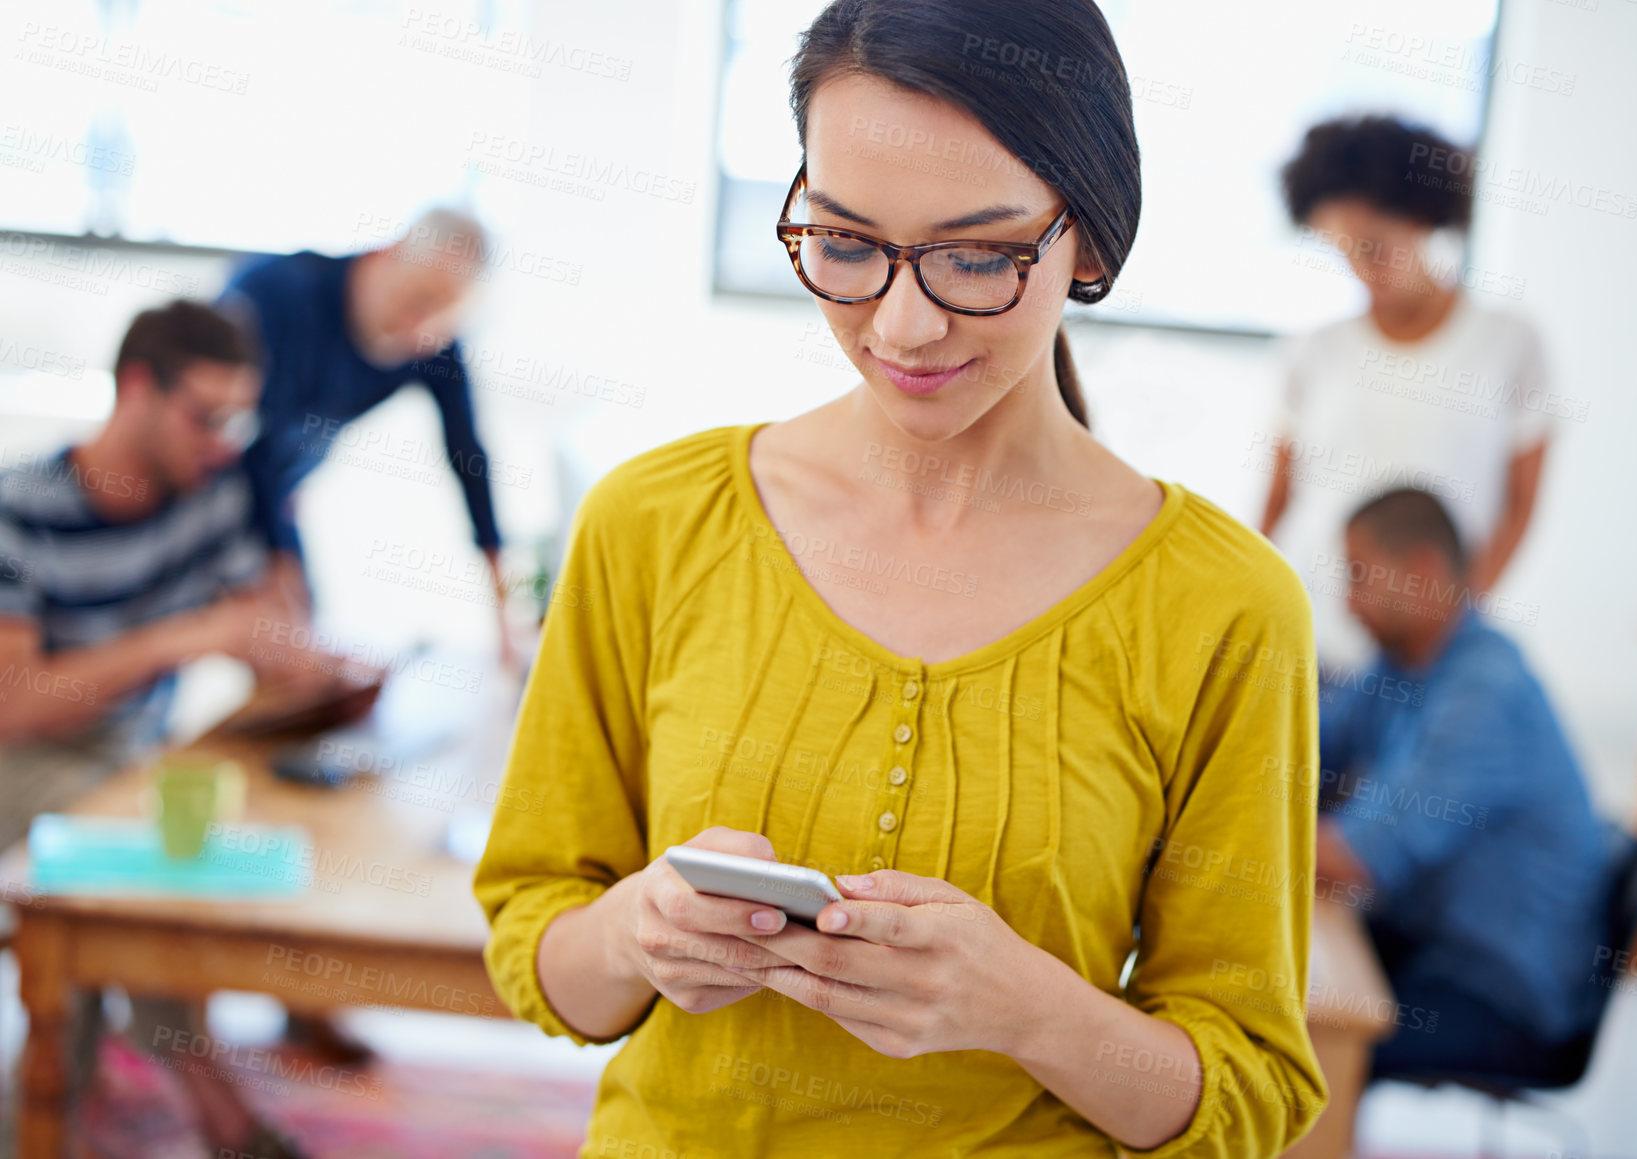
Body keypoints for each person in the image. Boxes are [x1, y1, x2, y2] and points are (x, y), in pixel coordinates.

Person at [475, 2, 1326, 1155]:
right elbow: (545, 954)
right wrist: (639, 933)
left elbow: (1247, 1092)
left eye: (978, 256)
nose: (904, 323)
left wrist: (1026, 1007)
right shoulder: (652, 522)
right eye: (846, 244)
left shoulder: (1227, 608)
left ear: (1095, 240)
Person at [0, 299, 318, 1158]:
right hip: (20, 766)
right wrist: (188, 635)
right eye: (207, 416)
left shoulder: (206, 497)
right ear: (137, 388)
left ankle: (66, 1098)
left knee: (226, 829)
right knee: (132, 861)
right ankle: (219, 1113)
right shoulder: (19, 509)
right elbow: (16, 703)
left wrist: (315, 660)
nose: (223, 442)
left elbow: (265, 632)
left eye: (236, 421)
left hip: (134, 765)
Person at [1312, 488, 1612, 1077]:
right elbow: (1304, 743)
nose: (1348, 603)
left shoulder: (1483, 694)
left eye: (1359, 576)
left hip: (1494, 993)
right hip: (1423, 941)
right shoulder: (1402, 661)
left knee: (1290, 1046)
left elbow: (1351, 861)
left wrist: (1204, 834)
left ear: (1422, 571)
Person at [1260, 115, 1555, 670]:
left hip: (1429, 651)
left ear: (1421, 218)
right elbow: (1278, 499)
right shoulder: (1313, 352)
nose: (1360, 269)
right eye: (1341, 250)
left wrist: (1458, 618)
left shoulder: (1510, 343)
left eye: (1372, 246)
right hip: (1313, 639)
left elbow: (1521, 503)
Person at [221, 208, 514, 657]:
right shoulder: (277, 293)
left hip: (278, 495)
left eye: (441, 320)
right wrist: (280, 562)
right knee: (276, 639)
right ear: (387, 254)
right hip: (211, 488)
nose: (419, 328)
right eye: (416, 301)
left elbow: (468, 457)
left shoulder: (429, 338)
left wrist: (503, 609)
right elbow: (245, 442)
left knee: (307, 657)